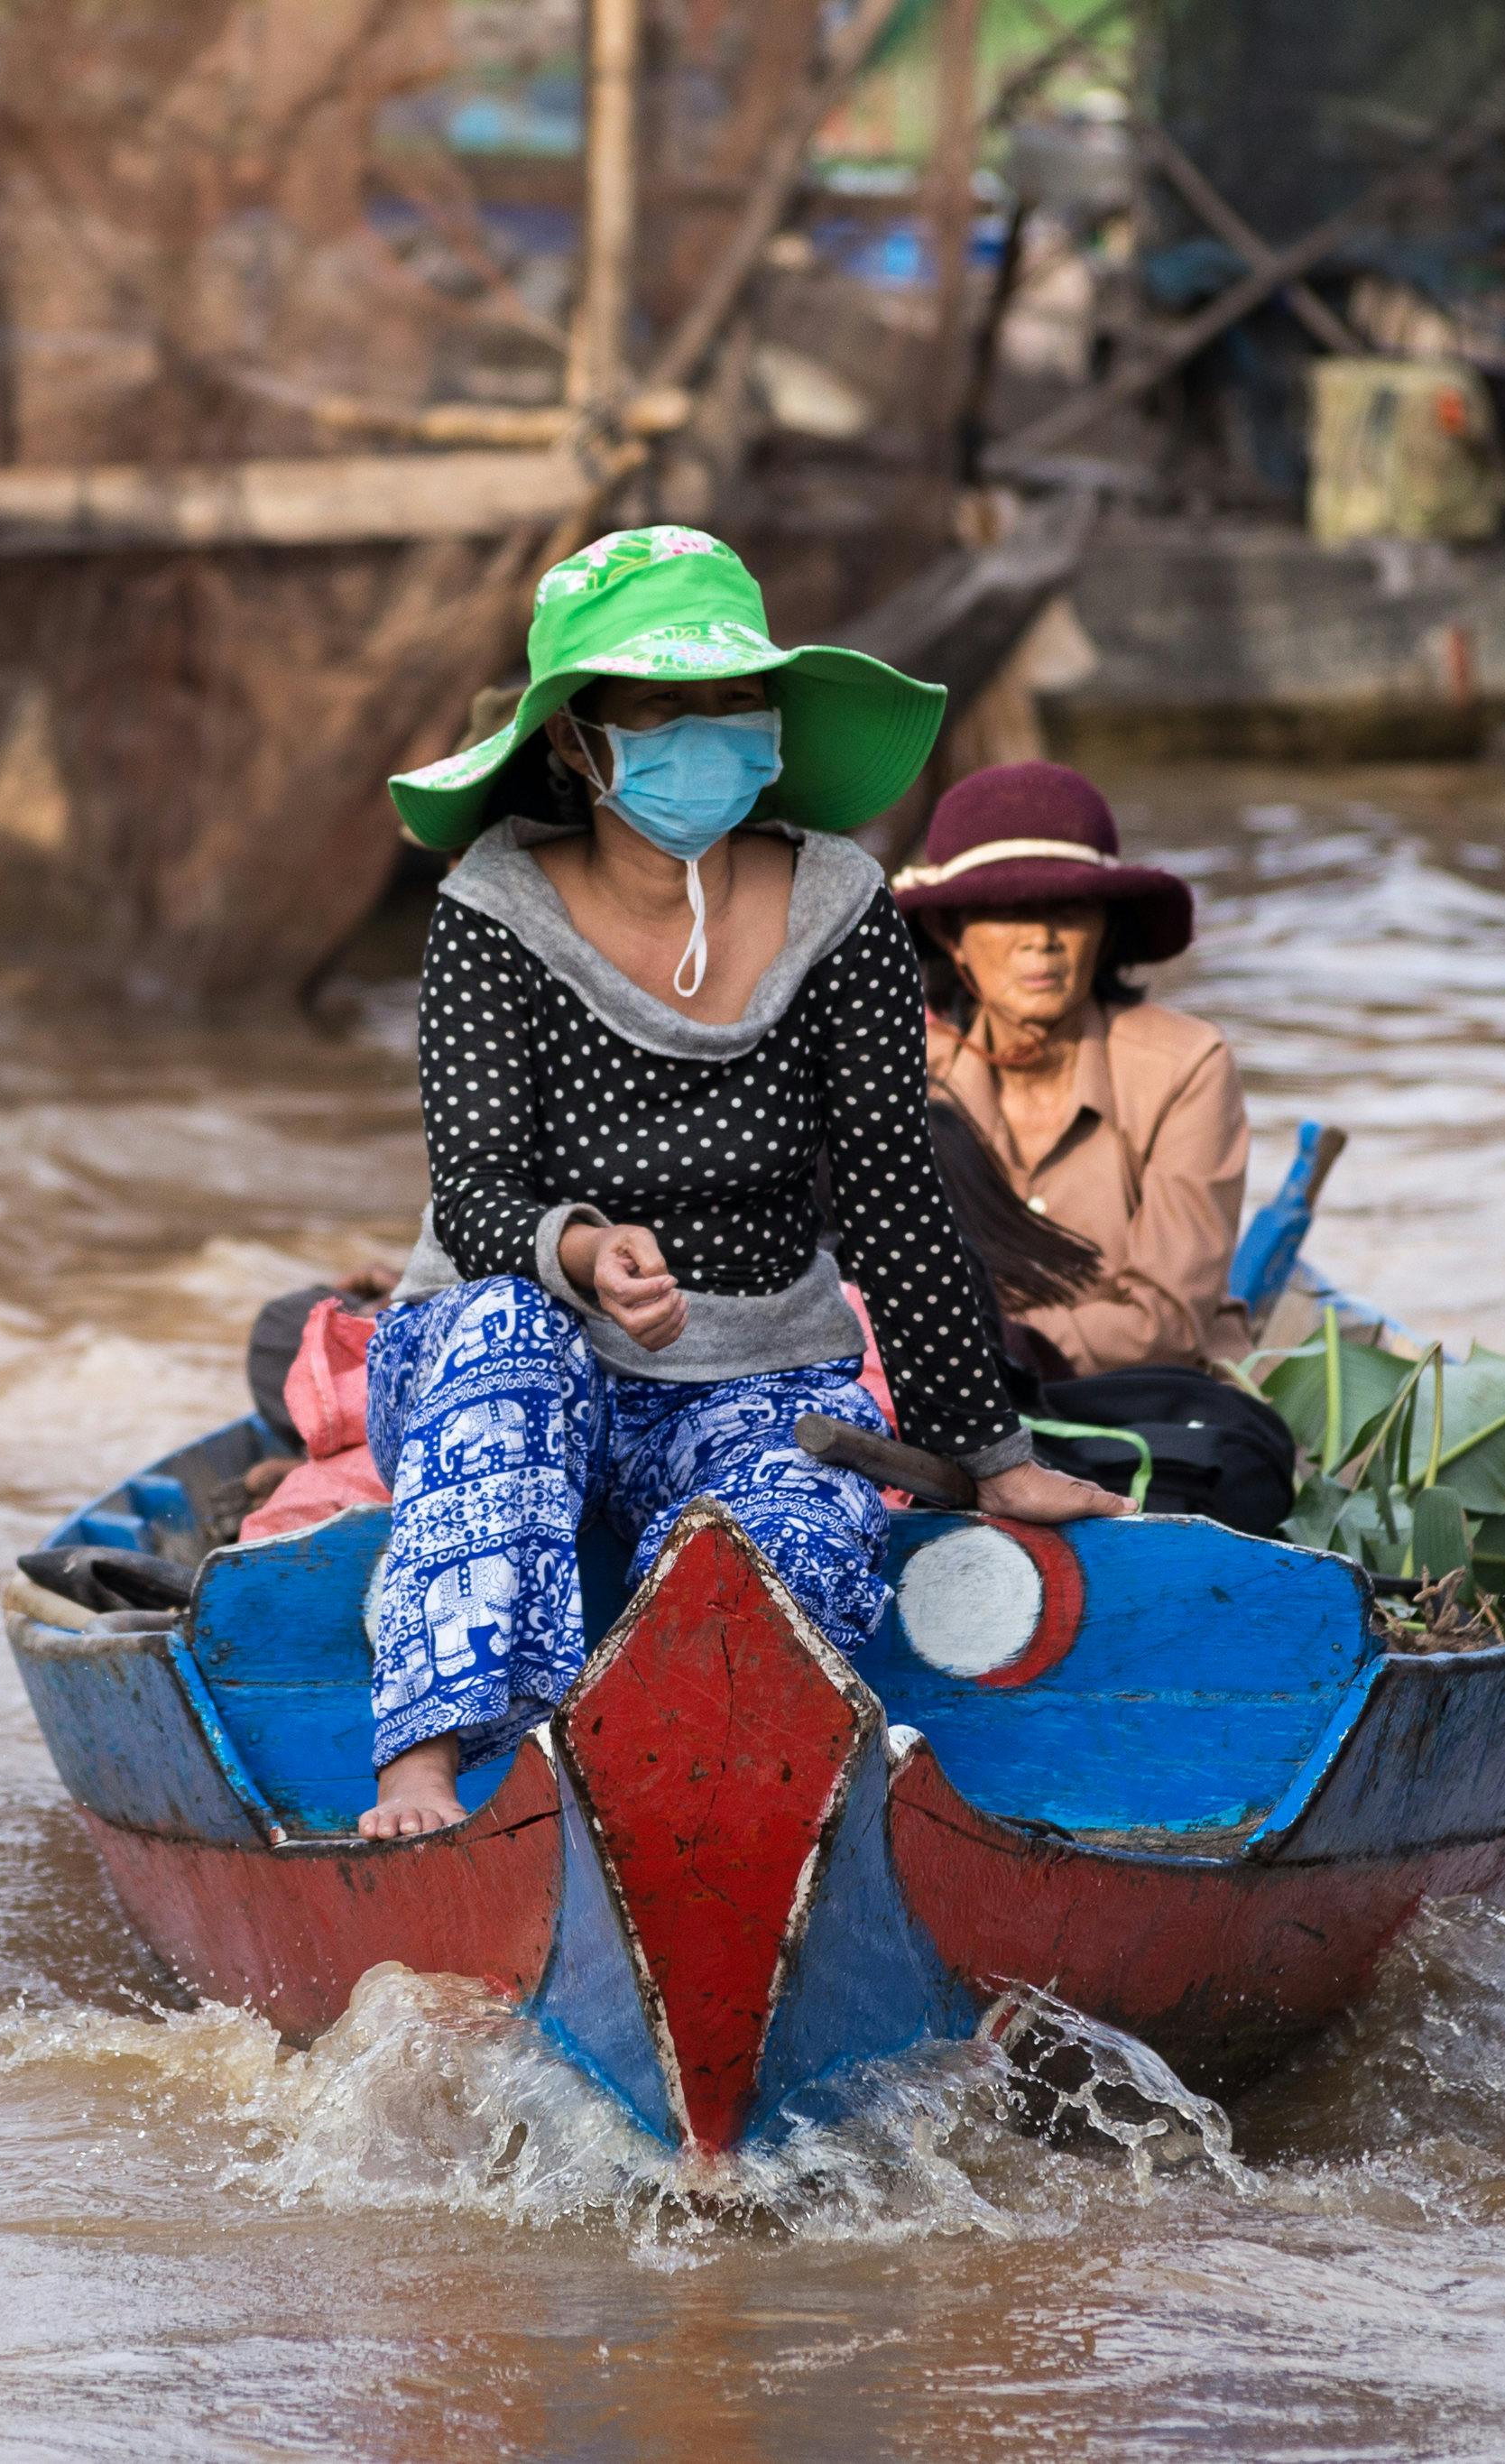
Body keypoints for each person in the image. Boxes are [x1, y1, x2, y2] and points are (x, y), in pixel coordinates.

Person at [356, 527, 1122, 1841]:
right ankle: (423, 1760)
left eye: (730, 702)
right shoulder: (492, 909)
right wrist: (586, 1251)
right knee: (514, 1329)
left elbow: (891, 1192)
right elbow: (475, 1192)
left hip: (760, 1369)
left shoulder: (841, 902)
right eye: (663, 709)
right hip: (506, 1357)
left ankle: (680, 1796)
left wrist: (993, 1451)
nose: (704, 736)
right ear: (578, 743)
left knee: (803, 1519)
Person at [891, 762, 1250, 1381]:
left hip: (1158, 1399)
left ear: (1106, 928)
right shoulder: (905, 1069)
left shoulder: (1187, 1065)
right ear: (951, 933)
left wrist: (994, 1345)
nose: (1042, 938)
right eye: (1007, 911)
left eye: (1069, 908)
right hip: (966, 1396)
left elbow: (1167, 1318)